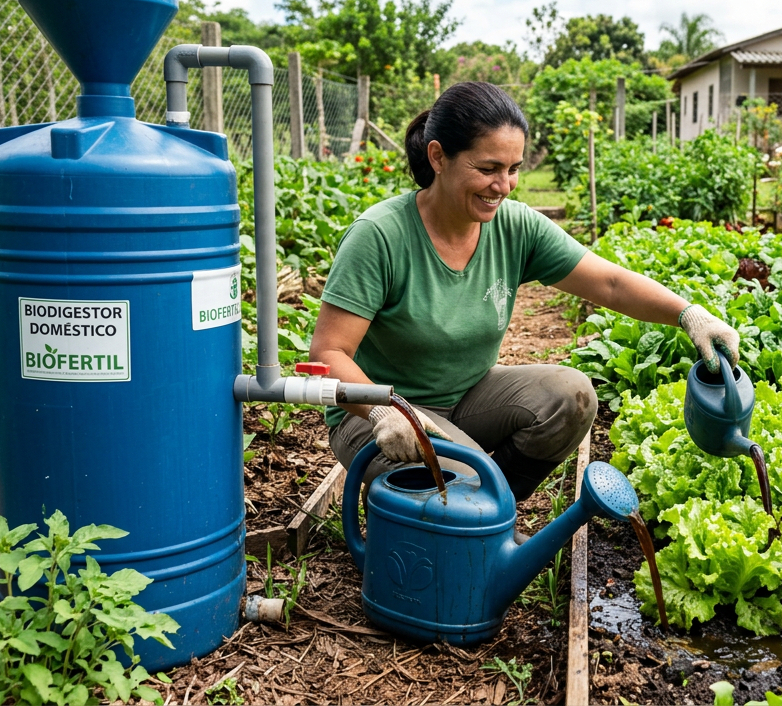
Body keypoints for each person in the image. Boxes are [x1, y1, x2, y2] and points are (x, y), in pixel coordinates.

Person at [310, 81, 739, 502]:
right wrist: (385, 409)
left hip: (465, 400)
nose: (504, 185)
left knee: (570, 396)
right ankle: (453, 516)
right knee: (468, 483)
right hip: (376, 419)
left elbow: (608, 282)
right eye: (488, 168)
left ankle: (493, 514)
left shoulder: (515, 227)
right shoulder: (380, 236)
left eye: (513, 169)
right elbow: (327, 354)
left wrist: (689, 314)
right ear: (438, 157)